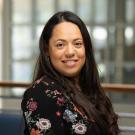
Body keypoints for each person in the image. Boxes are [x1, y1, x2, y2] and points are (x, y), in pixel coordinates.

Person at [21, 11, 120, 135]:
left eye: (77, 44)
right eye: (60, 45)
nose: (70, 52)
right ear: (47, 50)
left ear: (86, 48)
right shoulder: (40, 94)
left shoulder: (89, 89)